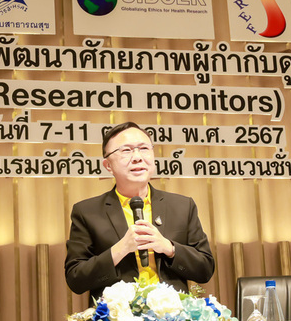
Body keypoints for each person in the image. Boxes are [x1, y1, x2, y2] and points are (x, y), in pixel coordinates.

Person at [64, 122, 215, 302]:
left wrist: (169, 248)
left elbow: (205, 269)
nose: (137, 157)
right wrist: (120, 249)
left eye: (144, 148)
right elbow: (76, 279)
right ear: (108, 165)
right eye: (126, 150)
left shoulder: (182, 206)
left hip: (173, 315)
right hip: (117, 316)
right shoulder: (87, 212)